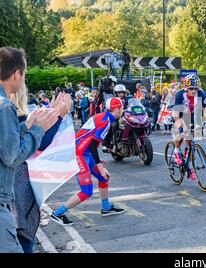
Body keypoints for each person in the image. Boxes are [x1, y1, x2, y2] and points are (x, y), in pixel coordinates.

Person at [0, 47, 59, 253]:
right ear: (17, 74)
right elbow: (12, 156)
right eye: (23, 74)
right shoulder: (5, 106)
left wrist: (25, 126)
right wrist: (37, 129)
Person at [51, 97, 126, 226]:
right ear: (117, 109)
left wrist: (96, 160)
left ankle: (106, 208)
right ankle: (57, 213)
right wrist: (100, 166)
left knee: (104, 178)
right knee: (86, 191)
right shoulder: (107, 121)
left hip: (83, 152)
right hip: (78, 154)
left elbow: (90, 140)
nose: (122, 110)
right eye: (121, 108)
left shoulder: (103, 117)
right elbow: (92, 145)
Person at [12, 90, 71, 253]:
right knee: (22, 236)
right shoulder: (10, 110)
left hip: (14, 186)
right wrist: (58, 115)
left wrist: (53, 113)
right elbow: (40, 142)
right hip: (16, 186)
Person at [171, 74, 206, 180]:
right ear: (186, 87)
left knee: (190, 143)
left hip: (190, 116)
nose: (194, 91)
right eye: (191, 88)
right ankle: (176, 151)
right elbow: (176, 113)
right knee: (181, 134)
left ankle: (189, 168)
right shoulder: (180, 95)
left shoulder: (200, 93)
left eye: (196, 88)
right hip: (180, 115)